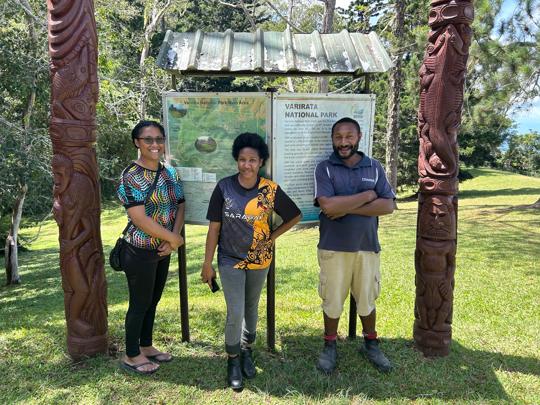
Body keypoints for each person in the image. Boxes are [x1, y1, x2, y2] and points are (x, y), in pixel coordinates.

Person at [201, 133, 301, 390]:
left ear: (261, 162)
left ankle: (247, 350)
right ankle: (233, 359)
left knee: (251, 308)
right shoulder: (224, 187)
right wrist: (207, 263)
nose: (247, 165)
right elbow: (214, 229)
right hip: (229, 259)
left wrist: (271, 238)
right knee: (235, 311)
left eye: (252, 160)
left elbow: (294, 215)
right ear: (237, 160)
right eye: (242, 159)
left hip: (260, 259)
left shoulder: (270, 189)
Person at [313, 117, 395, 374]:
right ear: (333, 139)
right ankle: (330, 345)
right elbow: (328, 206)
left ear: (359, 137)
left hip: (367, 246)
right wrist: (368, 196)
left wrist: (345, 206)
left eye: (349, 136)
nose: (343, 142)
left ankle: (371, 343)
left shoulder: (374, 167)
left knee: (367, 298)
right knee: (332, 299)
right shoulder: (325, 168)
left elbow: (388, 206)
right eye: (338, 137)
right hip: (333, 246)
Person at [116, 120, 185, 375]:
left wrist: (172, 238)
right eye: (148, 139)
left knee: (153, 300)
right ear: (137, 142)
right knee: (139, 302)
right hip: (139, 251)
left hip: (162, 249)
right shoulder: (130, 176)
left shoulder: (169, 172)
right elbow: (139, 218)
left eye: (159, 139)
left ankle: (145, 345)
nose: (155, 144)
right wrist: (173, 239)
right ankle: (131, 354)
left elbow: (180, 204)